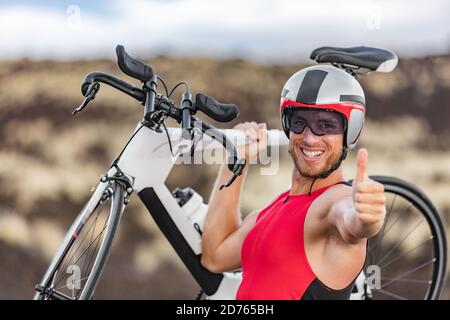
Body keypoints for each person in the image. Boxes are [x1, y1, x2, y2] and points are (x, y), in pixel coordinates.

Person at [200, 65, 386, 300]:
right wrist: (236, 159)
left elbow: (353, 224)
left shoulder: (334, 203)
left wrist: (368, 217)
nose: (309, 138)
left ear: (351, 131)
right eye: (299, 122)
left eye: (326, 125)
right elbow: (214, 257)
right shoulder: (269, 212)